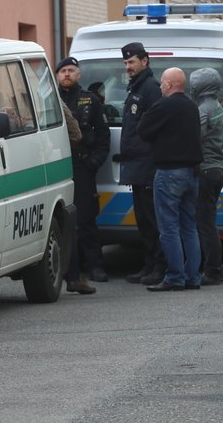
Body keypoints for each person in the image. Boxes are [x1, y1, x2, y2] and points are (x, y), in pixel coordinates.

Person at [137, 68, 203, 291]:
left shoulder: (163, 106)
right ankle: (193, 276)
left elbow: (143, 129)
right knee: (189, 227)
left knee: (168, 228)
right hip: (191, 174)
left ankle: (175, 276)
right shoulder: (192, 107)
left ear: (168, 85)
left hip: (168, 173)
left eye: (162, 83)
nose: (160, 87)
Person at [56, 56, 111, 291]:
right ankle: (70, 272)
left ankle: (95, 265)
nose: (66, 74)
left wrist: (94, 162)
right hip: (58, 165)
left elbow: (102, 135)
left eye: (71, 70)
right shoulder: (49, 99)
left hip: (82, 165)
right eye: (62, 71)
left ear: (79, 74)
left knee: (86, 218)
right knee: (63, 220)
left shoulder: (90, 100)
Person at [117, 42, 164, 286]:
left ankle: (158, 266)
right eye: (125, 63)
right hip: (137, 165)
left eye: (131, 62)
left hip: (148, 165)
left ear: (145, 61)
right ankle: (149, 265)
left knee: (152, 219)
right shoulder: (136, 88)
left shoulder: (151, 88)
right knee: (143, 220)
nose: (128, 67)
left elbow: (154, 128)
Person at [190, 68, 223, 286]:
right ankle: (213, 268)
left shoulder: (203, 110)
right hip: (216, 170)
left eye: (194, 83)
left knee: (205, 224)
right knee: (207, 222)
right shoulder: (217, 106)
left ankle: (213, 270)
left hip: (205, 171)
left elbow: (194, 137)